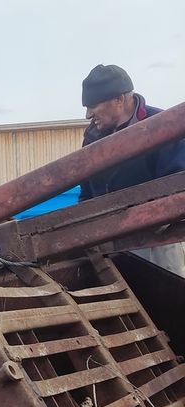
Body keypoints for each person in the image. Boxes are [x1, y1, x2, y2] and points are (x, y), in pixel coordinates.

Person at [79, 64, 185, 275]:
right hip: (110, 244)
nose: (88, 115)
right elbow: (87, 192)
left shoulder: (163, 127)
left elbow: (176, 185)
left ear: (119, 100)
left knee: (166, 298)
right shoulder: (91, 138)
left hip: (157, 242)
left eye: (93, 105)